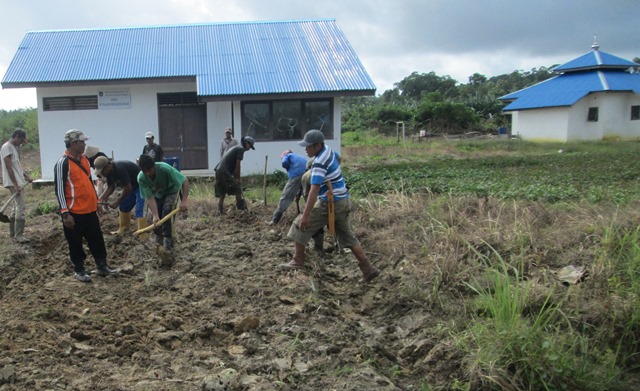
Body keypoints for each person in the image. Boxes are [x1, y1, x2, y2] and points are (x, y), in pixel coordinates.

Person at [280, 129, 380, 283]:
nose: (305, 149)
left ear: (317, 146)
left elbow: (314, 190)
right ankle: (368, 268)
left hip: (330, 202)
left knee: (298, 225)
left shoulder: (319, 162)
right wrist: (333, 175)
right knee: (348, 237)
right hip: (343, 199)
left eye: (308, 146)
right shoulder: (329, 151)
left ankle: (298, 260)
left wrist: (305, 216)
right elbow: (339, 160)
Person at [54, 129, 119, 283]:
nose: (84, 145)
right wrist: (65, 213)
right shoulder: (62, 163)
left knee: (96, 239)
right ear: (73, 143)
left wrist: (95, 200)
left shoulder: (84, 160)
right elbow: (59, 189)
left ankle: (101, 266)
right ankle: (79, 269)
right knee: (75, 243)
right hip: (74, 212)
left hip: (89, 210)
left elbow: (89, 181)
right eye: (82, 142)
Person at [137, 154, 189, 250]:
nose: (147, 173)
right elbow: (150, 198)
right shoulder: (141, 178)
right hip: (158, 194)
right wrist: (155, 215)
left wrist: (184, 201)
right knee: (157, 219)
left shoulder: (165, 169)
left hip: (172, 190)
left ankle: (168, 242)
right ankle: (158, 240)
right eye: (144, 171)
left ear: (154, 166)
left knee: (167, 211)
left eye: (149, 170)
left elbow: (184, 181)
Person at [94, 156, 145, 235]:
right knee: (124, 206)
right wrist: (100, 199)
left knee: (140, 209)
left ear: (108, 165)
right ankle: (124, 229)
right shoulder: (108, 172)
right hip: (131, 187)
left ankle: (142, 233)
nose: (102, 174)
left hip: (141, 186)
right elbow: (111, 187)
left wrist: (117, 201)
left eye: (102, 171)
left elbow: (128, 188)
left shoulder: (119, 169)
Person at [1, 129, 33, 242]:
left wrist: (26, 176)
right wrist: (15, 184)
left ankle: (13, 234)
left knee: (15, 207)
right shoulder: (7, 147)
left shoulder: (13, 148)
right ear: (17, 136)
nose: (21, 143)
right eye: (21, 140)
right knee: (21, 207)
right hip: (13, 182)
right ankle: (19, 235)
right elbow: (8, 167)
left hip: (17, 181)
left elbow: (16, 167)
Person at [214, 136, 255, 214]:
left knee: (222, 190)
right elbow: (238, 165)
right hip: (224, 171)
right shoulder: (241, 149)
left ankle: (219, 210)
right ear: (246, 143)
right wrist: (238, 178)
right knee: (237, 189)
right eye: (250, 146)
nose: (249, 148)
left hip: (219, 170)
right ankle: (241, 209)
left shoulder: (237, 147)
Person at [268, 150, 308, 225]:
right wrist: (298, 193)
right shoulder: (301, 157)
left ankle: (274, 220)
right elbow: (300, 185)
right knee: (307, 196)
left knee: (285, 197)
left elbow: (284, 163)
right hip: (307, 175)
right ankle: (312, 217)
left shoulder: (287, 156)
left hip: (296, 176)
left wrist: (288, 167)